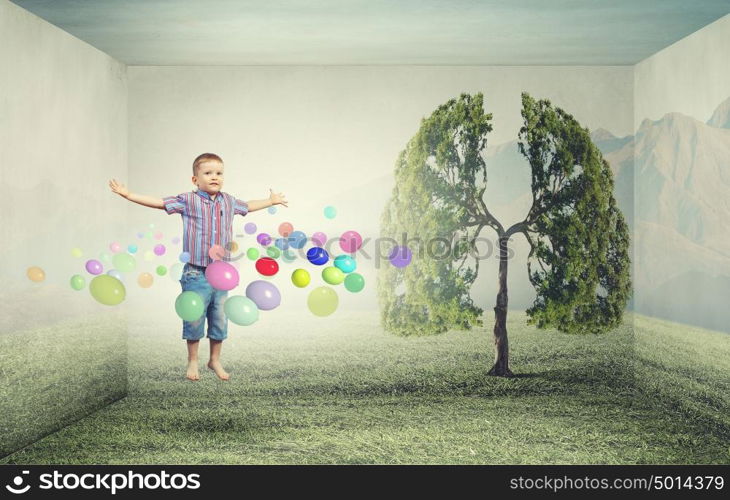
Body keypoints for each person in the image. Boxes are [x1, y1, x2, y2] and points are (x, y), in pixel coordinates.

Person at [109, 152, 288, 381]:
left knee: (219, 317)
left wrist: (270, 201)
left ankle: (214, 360)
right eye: (208, 173)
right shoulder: (188, 200)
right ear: (195, 179)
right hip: (196, 271)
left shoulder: (229, 201)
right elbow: (160, 203)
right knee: (194, 317)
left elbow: (248, 206)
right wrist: (128, 194)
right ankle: (192, 361)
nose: (215, 177)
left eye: (219, 173)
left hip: (221, 273)